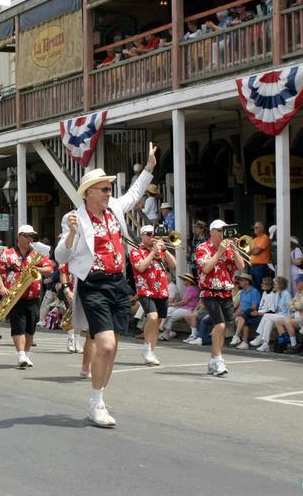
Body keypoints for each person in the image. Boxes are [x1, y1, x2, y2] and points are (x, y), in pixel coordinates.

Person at [55, 142, 157, 428]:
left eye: (109, 189)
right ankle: (97, 401)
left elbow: (135, 193)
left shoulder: (114, 209)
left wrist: (149, 167)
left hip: (118, 283)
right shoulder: (74, 218)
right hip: (94, 285)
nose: (109, 193)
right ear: (89, 192)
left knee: (112, 348)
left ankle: (98, 399)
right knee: (107, 344)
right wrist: (72, 235)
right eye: (104, 188)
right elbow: (60, 255)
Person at [0, 225, 53, 369]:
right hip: (15, 296)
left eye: (32, 236)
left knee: (30, 328)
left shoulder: (37, 254)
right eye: (27, 236)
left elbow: (49, 269)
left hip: (33, 296)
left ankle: (26, 354)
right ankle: (21, 354)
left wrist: (35, 269)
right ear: (19, 236)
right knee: (18, 326)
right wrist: (1, 287)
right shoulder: (8, 254)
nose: (31, 239)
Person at [195, 220, 246, 375]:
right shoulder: (202, 248)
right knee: (220, 325)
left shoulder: (229, 248)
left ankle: (213, 361)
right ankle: (218, 359)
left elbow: (242, 267)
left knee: (223, 327)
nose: (223, 232)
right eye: (220, 230)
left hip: (226, 291)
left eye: (225, 230)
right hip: (209, 291)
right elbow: (206, 268)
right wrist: (219, 252)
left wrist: (235, 249)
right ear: (212, 232)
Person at [130, 224, 176, 365]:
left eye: (153, 234)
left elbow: (173, 264)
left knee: (157, 323)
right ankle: (146, 346)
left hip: (161, 289)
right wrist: (152, 252)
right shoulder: (136, 251)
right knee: (152, 317)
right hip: (146, 289)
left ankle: (150, 352)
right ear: (142, 235)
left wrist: (165, 250)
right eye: (149, 234)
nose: (152, 237)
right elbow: (141, 267)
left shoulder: (160, 251)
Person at [249, 276, 292, 352]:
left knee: (266, 315)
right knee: (268, 322)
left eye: (275, 284)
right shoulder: (277, 294)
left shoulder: (286, 294)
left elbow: (290, 308)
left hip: (285, 315)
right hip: (278, 315)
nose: (273, 285)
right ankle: (265, 344)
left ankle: (260, 336)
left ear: (280, 285)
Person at [159, 273, 200, 341]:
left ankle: (166, 334)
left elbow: (184, 301)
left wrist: (174, 304)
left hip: (187, 309)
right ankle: (165, 332)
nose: (183, 281)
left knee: (171, 318)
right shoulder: (193, 288)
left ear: (189, 281)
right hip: (189, 308)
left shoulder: (190, 289)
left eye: (184, 280)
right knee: (170, 313)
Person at [229, 273, 261, 350]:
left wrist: (242, 312)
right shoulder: (242, 292)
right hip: (244, 313)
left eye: (241, 280)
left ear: (247, 282)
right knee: (241, 318)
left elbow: (254, 307)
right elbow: (241, 305)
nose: (239, 282)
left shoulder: (254, 291)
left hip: (252, 312)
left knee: (242, 317)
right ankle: (244, 342)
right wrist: (237, 312)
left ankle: (237, 336)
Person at [248, 222, 272, 290]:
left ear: (262, 229)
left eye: (256, 227)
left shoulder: (265, 238)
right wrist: (253, 250)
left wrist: (252, 249)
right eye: (254, 228)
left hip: (261, 266)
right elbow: (248, 252)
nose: (254, 229)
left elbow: (256, 252)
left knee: (262, 287)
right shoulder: (255, 239)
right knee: (254, 287)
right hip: (253, 266)